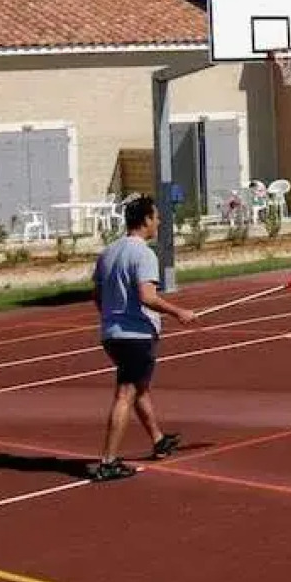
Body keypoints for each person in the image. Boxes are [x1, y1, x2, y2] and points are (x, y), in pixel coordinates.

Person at [90, 195, 198, 482]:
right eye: (157, 216)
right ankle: (108, 461)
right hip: (135, 336)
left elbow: (99, 296)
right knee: (126, 393)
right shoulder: (143, 254)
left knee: (140, 389)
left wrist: (112, 317)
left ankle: (159, 439)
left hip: (112, 335)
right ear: (146, 220)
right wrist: (179, 312)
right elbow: (147, 296)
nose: (159, 222)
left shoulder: (108, 252)